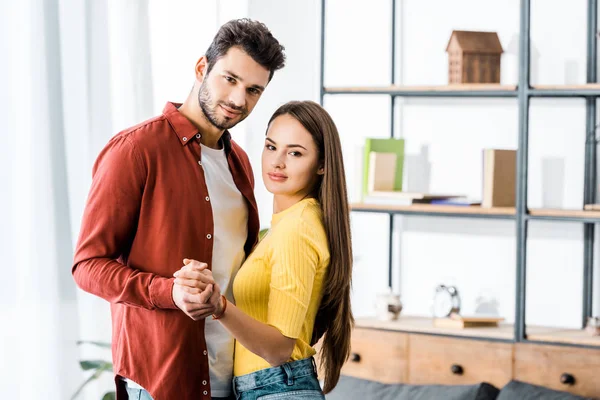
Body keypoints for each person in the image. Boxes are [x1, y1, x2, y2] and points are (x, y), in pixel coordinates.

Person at [72, 19, 285, 400]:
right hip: (162, 381)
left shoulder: (241, 163)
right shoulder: (136, 150)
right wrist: (169, 292)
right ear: (202, 68)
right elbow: (87, 266)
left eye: (254, 90)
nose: (239, 100)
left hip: (233, 379)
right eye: (230, 79)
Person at [175, 100, 354, 400]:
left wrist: (218, 306)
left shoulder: (298, 227)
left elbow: (279, 349)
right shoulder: (285, 226)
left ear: (322, 164)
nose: (277, 162)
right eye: (271, 147)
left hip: (277, 389)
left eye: (295, 153)